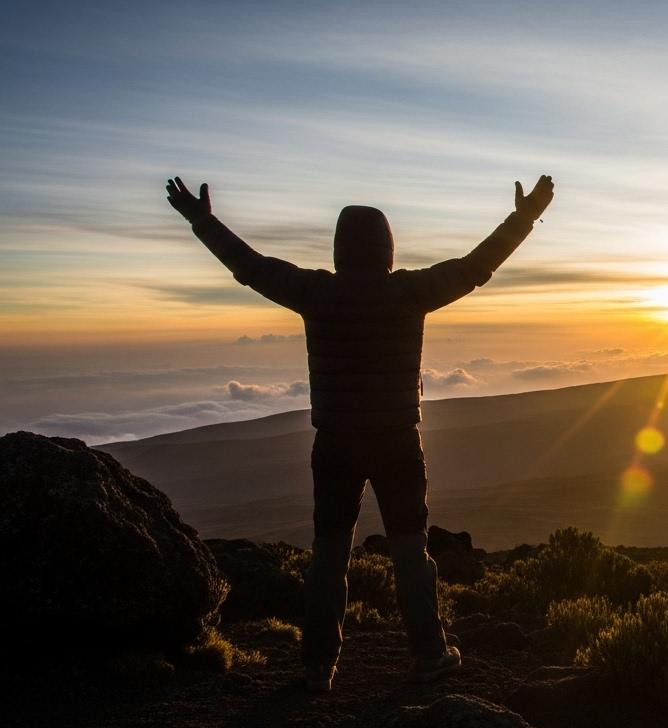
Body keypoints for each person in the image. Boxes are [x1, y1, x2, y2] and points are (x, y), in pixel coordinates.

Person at [165, 174, 554, 691]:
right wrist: (524, 218)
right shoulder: (408, 292)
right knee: (410, 549)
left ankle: (317, 666)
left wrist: (202, 221)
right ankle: (428, 654)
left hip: (335, 443)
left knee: (329, 553)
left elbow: (251, 267)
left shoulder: (316, 292)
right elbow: (475, 267)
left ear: (339, 250)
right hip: (397, 441)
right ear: (388, 250)